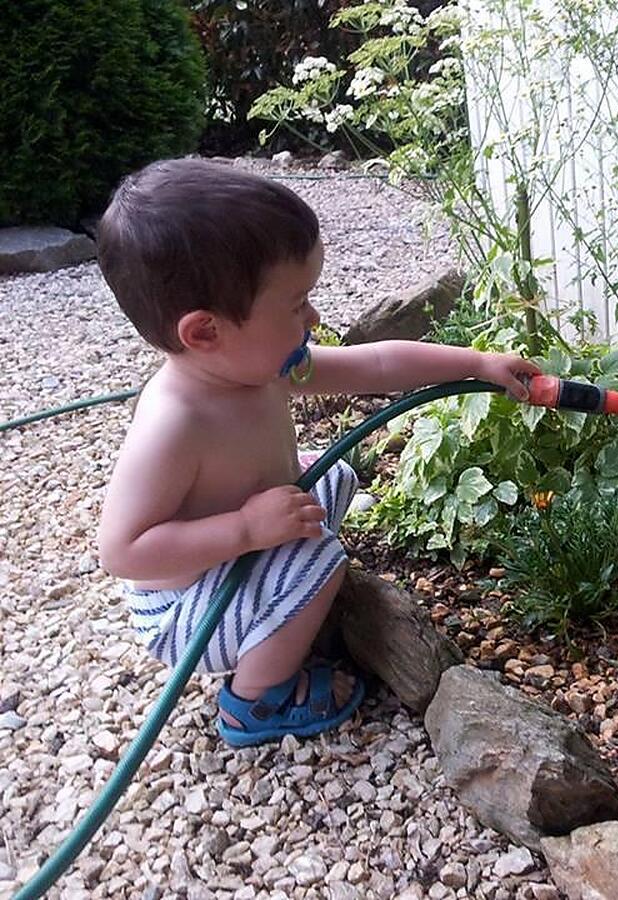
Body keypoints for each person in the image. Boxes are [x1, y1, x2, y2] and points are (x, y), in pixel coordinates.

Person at [95, 158, 539, 747]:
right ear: (204, 332)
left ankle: (279, 612)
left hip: (234, 556)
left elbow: (374, 364)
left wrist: (476, 363)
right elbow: (124, 552)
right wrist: (246, 529)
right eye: (297, 303)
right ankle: (255, 700)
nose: (314, 317)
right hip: (186, 611)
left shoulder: (258, 364)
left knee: (330, 476)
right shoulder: (176, 423)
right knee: (319, 557)